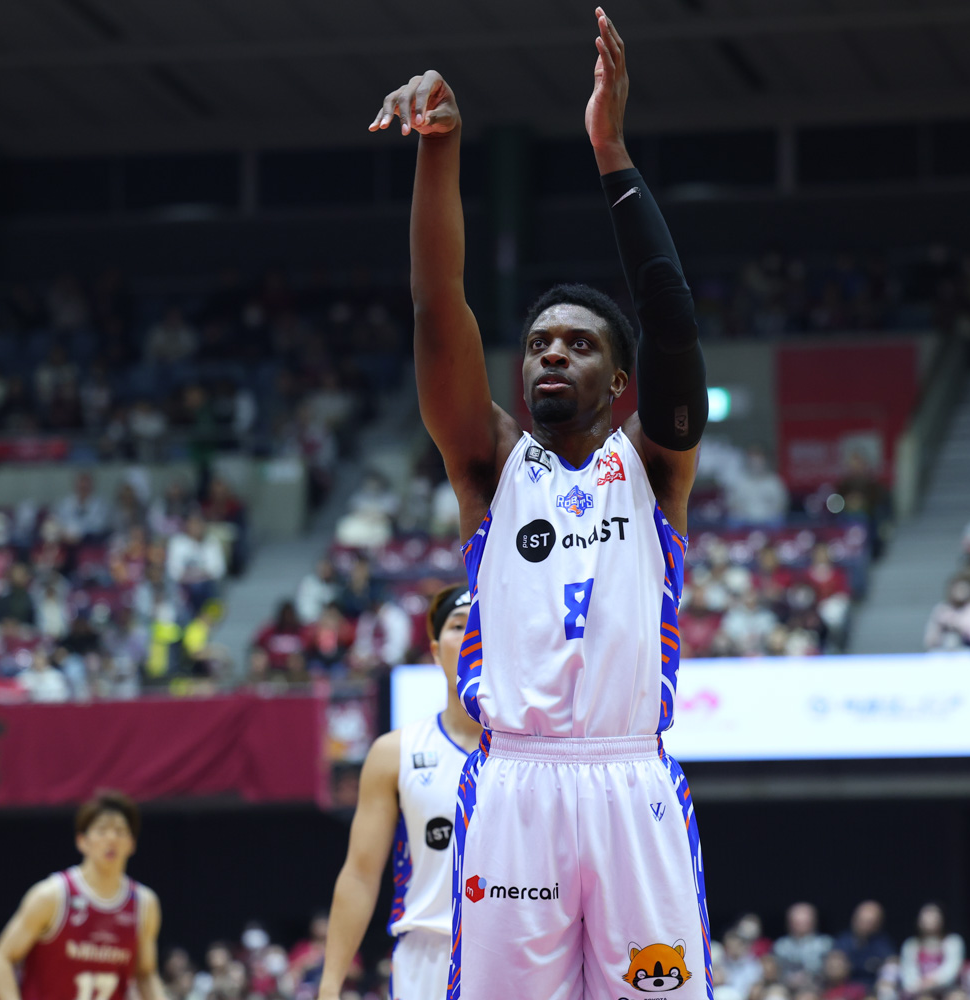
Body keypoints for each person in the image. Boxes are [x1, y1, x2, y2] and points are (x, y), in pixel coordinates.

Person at [370, 11, 711, 997]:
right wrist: (441, 149)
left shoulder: (655, 468)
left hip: (632, 779)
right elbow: (439, 306)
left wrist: (611, 153)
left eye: (579, 343)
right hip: (515, 784)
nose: (552, 351)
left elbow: (672, 319)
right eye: (537, 344)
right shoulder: (489, 466)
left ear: (620, 383)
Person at [317, 585, 481, 1000]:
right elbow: (359, 874)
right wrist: (330, 985)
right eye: (458, 626)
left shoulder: (540, 748)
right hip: (427, 959)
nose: (472, 635)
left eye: (483, 624)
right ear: (435, 651)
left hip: (520, 954)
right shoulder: (395, 753)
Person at [0, 791, 165, 1000]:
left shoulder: (144, 903)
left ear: (132, 844)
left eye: (120, 831)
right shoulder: (51, 895)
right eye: (101, 830)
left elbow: (145, 974)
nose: (111, 838)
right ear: (82, 841)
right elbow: (2, 957)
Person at [899, 903, 963, 996]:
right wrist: (919, 985)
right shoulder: (911, 945)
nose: (930, 920)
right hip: (919, 990)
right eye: (927, 916)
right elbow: (908, 973)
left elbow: (951, 969)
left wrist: (932, 982)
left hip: (947, 989)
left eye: (934, 916)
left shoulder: (953, 941)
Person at [773, 902, 834, 984]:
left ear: (814, 921)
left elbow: (834, 970)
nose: (801, 924)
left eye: (805, 921)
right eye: (797, 922)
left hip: (820, 986)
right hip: (786, 986)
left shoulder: (826, 944)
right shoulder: (780, 946)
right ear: (789, 922)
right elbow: (774, 971)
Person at [836, 900, 893, 985]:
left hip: (873, 988)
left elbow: (892, 961)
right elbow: (834, 966)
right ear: (854, 920)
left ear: (878, 924)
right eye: (862, 921)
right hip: (846, 987)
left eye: (870, 922)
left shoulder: (882, 942)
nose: (865, 925)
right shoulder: (843, 940)